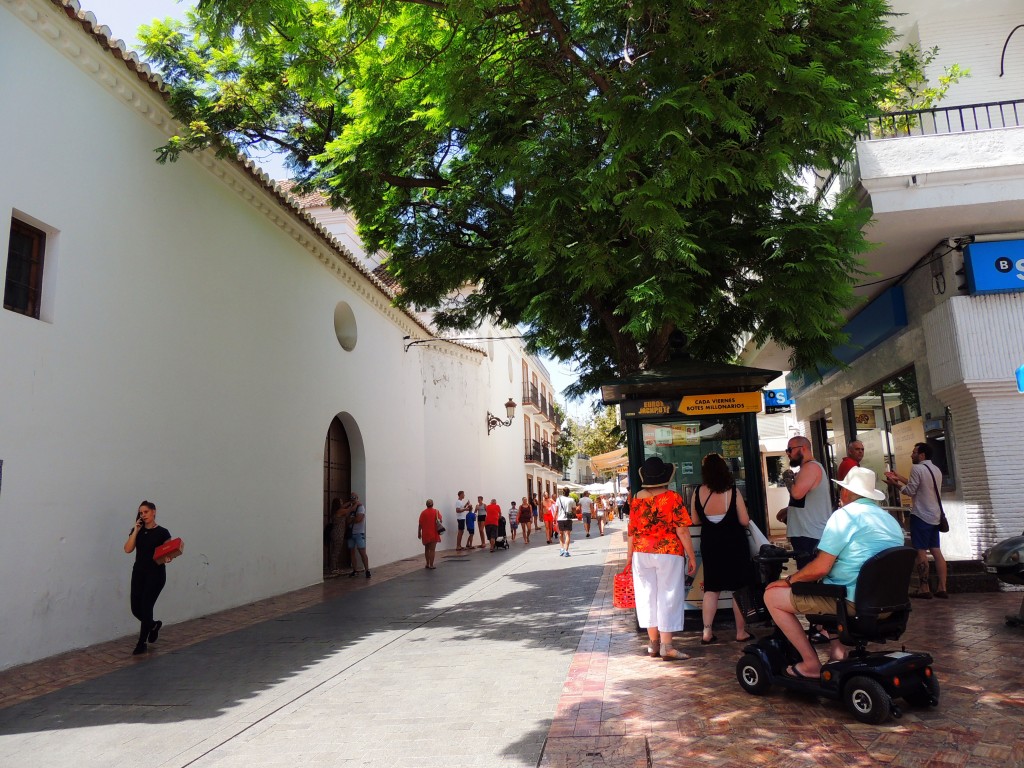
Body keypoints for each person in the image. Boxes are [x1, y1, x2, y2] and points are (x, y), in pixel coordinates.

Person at [764, 467, 904, 679]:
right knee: (828, 586)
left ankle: (810, 664)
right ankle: (838, 651)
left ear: (846, 493)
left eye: (841, 490)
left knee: (772, 595)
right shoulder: (890, 521)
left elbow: (820, 567)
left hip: (853, 603)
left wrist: (789, 581)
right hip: (887, 604)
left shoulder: (844, 516)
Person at [628, 457, 697, 661]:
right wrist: (691, 556)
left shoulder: (636, 499)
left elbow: (631, 531)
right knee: (668, 595)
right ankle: (668, 646)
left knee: (646, 595)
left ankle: (653, 644)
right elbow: (682, 530)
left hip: (641, 552)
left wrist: (628, 557)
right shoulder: (672, 497)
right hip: (668, 552)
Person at [693, 453, 756, 644]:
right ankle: (740, 632)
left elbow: (695, 520)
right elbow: (744, 520)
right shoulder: (733, 491)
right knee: (739, 588)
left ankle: (706, 632)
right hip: (735, 544)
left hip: (710, 544)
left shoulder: (698, 492)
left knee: (711, 589)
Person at [885, 442, 948, 599]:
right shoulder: (936, 470)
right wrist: (899, 477)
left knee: (921, 551)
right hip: (935, 515)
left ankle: (924, 588)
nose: (911, 455)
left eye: (914, 452)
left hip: (921, 515)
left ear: (922, 455)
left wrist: (895, 484)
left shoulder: (917, 468)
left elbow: (911, 490)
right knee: (936, 551)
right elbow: (921, 486)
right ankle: (942, 587)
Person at [123, 500, 173, 655]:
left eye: (146, 512)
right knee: (135, 608)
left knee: (146, 607)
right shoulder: (136, 530)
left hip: (155, 575)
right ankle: (153, 625)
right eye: (141, 513)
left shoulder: (163, 532)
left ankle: (141, 643)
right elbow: (127, 549)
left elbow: (169, 550)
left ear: (154, 512)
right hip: (138, 573)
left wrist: (168, 557)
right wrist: (136, 530)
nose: (143, 515)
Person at [776, 436, 832, 569]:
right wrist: (789, 511)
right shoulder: (807, 468)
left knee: (809, 578)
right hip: (806, 534)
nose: (788, 453)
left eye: (790, 449)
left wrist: (788, 478)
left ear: (803, 448)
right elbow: (805, 500)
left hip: (810, 535)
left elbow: (796, 493)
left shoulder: (811, 467)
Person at [344, 493, 370, 578]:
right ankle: (354, 570)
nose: (352, 499)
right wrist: (352, 517)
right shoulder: (351, 508)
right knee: (352, 552)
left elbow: (359, 519)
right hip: (351, 533)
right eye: (351, 497)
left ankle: (367, 570)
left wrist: (352, 519)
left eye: (354, 497)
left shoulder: (361, 507)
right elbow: (347, 520)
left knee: (362, 552)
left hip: (359, 533)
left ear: (357, 498)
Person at [417, 499, 442, 569]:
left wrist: (419, 533)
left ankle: (427, 563)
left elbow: (420, 524)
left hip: (425, 533)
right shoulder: (436, 512)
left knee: (426, 549)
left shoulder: (423, 513)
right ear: (433, 504)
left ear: (426, 505)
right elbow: (440, 520)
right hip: (433, 533)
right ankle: (431, 565)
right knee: (432, 549)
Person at [328, 497, 348, 576]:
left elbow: (344, 507)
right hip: (338, 533)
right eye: (341, 502)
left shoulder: (335, 511)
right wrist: (355, 503)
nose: (342, 503)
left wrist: (350, 501)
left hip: (334, 533)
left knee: (334, 550)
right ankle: (334, 568)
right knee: (336, 551)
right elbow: (350, 510)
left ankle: (334, 567)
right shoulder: (340, 511)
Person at [555, 488, 577, 557]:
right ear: (569, 492)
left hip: (560, 519)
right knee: (567, 535)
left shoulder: (558, 499)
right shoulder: (571, 500)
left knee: (561, 534)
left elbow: (556, 510)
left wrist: (554, 518)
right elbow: (574, 511)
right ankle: (566, 551)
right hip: (568, 519)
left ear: (563, 492)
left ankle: (561, 549)